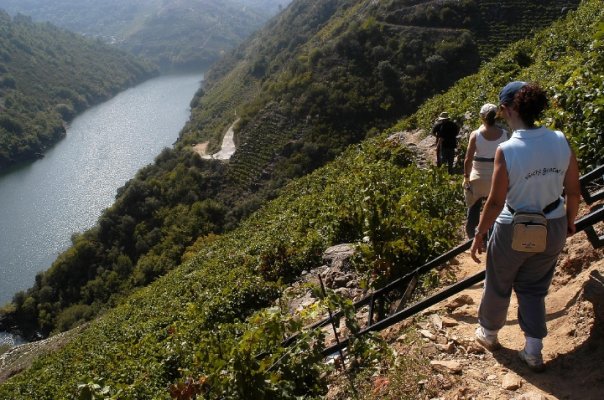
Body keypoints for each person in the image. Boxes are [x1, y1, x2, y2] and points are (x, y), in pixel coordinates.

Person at [470, 81, 580, 372]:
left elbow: (496, 201)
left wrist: (480, 233)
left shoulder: (507, 150)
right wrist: (569, 221)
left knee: (499, 281)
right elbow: (573, 190)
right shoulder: (560, 140)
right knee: (534, 288)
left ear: (507, 110)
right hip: (553, 224)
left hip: (513, 227)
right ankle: (533, 350)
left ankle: (489, 333)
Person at [463, 103, 509, 238]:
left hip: (477, 176)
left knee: (473, 206)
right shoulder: (505, 134)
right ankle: (491, 235)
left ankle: (472, 235)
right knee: (494, 208)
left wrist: (466, 177)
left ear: (481, 117)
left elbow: (468, 159)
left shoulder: (475, 134)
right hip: (496, 177)